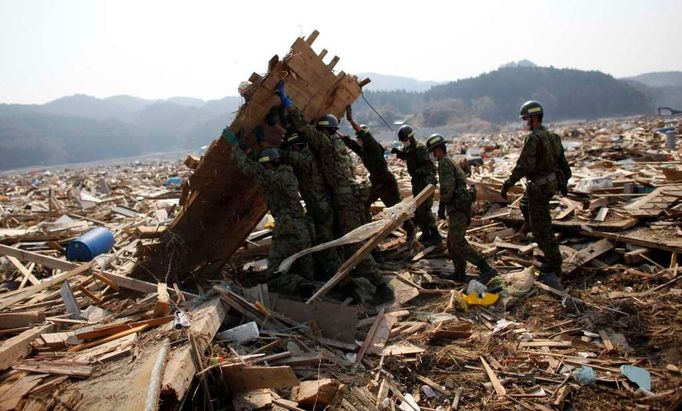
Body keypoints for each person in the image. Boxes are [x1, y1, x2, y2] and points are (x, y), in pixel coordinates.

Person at [275, 80, 394, 304]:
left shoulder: (326, 144)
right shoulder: (335, 145)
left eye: (320, 131)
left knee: (353, 244)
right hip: (346, 198)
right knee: (341, 242)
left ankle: (380, 286)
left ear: (325, 131)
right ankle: (350, 282)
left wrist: (286, 101)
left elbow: (302, 129)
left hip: (344, 199)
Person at [223, 127, 315, 297]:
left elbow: (252, 169)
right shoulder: (287, 173)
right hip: (303, 229)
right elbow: (259, 164)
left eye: (266, 165)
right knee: (306, 269)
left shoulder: (273, 178)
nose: (265, 167)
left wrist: (236, 146)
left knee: (273, 276)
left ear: (270, 164)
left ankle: (302, 286)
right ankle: (310, 289)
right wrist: (246, 147)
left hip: (287, 231)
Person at [500, 100, 572, 290]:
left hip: (539, 188)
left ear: (533, 118)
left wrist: (508, 184)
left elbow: (524, 165)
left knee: (543, 229)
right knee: (525, 205)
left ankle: (553, 266)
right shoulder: (553, 136)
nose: (524, 122)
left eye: (525, 119)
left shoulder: (534, 139)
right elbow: (563, 163)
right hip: (551, 183)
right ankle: (532, 224)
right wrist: (564, 183)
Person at [426, 134, 497, 283]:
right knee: (451, 242)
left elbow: (447, 188)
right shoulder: (450, 161)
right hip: (459, 207)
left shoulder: (444, 162)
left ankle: (486, 268)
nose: (433, 155)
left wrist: (441, 205)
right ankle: (459, 272)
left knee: (457, 241)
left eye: (433, 151)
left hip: (458, 208)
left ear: (439, 150)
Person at [341, 106, 416, 243]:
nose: (358, 140)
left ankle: (410, 230)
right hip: (377, 183)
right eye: (358, 138)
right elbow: (351, 144)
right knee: (364, 204)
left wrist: (351, 121)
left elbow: (363, 134)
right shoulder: (363, 151)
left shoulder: (373, 146)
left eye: (360, 137)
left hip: (386, 183)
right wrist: (335, 132)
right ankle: (368, 232)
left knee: (396, 209)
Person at [279, 128, 343, 278]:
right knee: (331, 239)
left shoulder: (302, 158)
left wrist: (280, 145)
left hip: (319, 208)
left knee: (326, 244)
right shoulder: (311, 153)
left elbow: (284, 155)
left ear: (297, 145)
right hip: (325, 204)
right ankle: (339, 270)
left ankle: (340, 279)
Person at [391, 125, 442, 246]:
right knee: (418, 209)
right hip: (417, 182)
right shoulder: (408, 148)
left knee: (425, 209)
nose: (405, 143)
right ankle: (426, 233)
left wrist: (418, 171)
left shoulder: (421, 148)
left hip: (426, 182)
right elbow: (408, 156)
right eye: (403, 141)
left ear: (411, 138)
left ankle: (435, 235)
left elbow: (429, 166)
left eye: (405, 140)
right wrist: (398, 153)